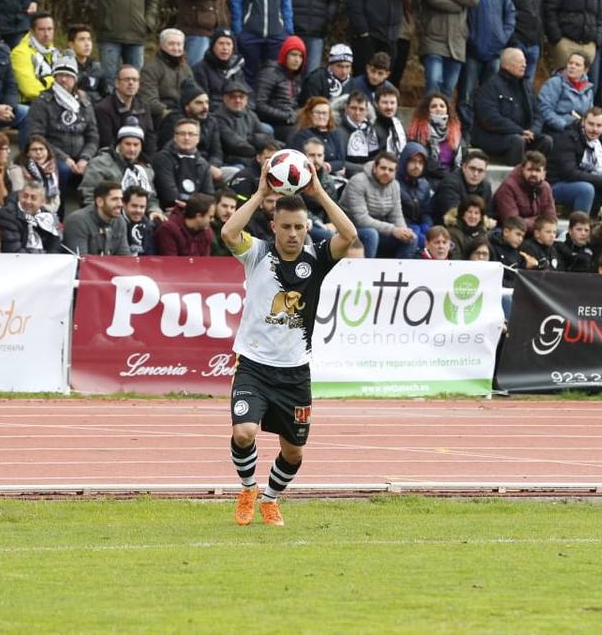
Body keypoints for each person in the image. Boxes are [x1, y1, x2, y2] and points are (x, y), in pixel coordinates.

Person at [221, 159, 356, 527]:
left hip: (295, 371)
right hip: (252, 364)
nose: (293, 234)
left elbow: (350, 235)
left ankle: (270, 498)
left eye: (299, 227)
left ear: (307, 227)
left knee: (293, 451)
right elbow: (229, 233)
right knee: (244, 431)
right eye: (286, 227)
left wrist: (319, 192)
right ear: (273, 227)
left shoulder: (318, 257)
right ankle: (248, 489)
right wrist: (261, 193)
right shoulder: (258, 254)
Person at [23, 54, 97, 194]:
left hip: (81, 157)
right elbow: (36, 136)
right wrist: (64, 157)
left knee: (98, 170)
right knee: (61, 169)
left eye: (68, 76)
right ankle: (59, 212)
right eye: (59, 75)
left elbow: (93, 136)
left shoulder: (84, 102)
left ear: (75, 79)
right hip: (52, 155)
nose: (63, 79)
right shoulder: (42, 102)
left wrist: (85, 158)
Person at [418, 0, 479, 99]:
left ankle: (442, 123)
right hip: (434, 39)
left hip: (458, 42)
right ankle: (425, 121)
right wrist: (459, 5)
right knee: (434, 81)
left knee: (448, 89)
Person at [470, 47, 553, 164]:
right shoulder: (490, 86)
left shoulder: (527, 86)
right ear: (506, 65)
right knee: (517, 141)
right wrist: (519, 131)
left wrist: (533, 131)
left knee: (546, 141)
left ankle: (534, 174)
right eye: (519, 62)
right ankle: (514, 176)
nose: (524, 65)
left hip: (524, 135)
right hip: (494, 136)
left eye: (524, 61)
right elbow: (490, 118)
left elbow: (538, 114)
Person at [464, 0, 517, 117]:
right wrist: (468, 36)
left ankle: (483, 129)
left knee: (490, 95)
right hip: (472, 49)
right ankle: (465, 129)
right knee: (467, 93)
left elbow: (510, 14)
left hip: (495, 51)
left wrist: (503, 36)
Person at [548, 106, 602, 214]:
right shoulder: (568, 138)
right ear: (583, 122)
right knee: (586, 189)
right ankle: (580, 226)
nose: (594, 129)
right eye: (591, 124)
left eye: (599, 125)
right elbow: (570, 173)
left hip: (592, 183)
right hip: (560, 184)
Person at [342, 151, 417, 259]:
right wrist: (392, 230)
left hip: (379, 230)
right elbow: (361, 220)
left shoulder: (395, 185)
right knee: (371, 234)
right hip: (351, 229)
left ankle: (397, 273)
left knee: (411, 239)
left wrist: (403, 231)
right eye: (383, 168)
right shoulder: (358, 181)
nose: (386, 172)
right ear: (374, 167)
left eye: (391, 170)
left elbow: (396, 215)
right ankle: (366, 274)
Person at [255, 36, 306, 141]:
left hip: (289, 122)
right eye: (293, 55)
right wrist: (286, 117)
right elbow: (259, 105)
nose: (297, 60)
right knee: (299, 136)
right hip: (273, 123)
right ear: (284, 55)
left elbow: (293, 104)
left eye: (301, 56)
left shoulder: (296, 77)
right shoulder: (270, 73)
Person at [62, 180, 132, 256]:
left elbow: (125, 257)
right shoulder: (77, 221)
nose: (120, 204)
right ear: (99, 202)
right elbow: (81, 260)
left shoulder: (120, 221)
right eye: (114, 199)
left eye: (121, 199)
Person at [405, 92, 464, 181]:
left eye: (442, 106)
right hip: (428, 178)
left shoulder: (455, 132)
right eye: (434, 106)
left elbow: (463, 159)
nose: (438, 109)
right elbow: (428, 164)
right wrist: (451, 178)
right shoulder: (419, 132)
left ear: (447, 109)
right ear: (426, 110)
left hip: (453, 179)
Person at [491, 151, 555, 230]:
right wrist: (541, 222)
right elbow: (513, 223)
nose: (533, 174)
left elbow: (552, 219)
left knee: (562, 234)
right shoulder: (508, 187)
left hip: (539, 232)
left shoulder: (545, 187)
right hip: (509, 233)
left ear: (543, 174)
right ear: (522, 169)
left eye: (538, 170)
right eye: (530, 170)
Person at [538, 50, 595, 134]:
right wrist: (564, 126)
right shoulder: (555, 82)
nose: (572, 66)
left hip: (579, 129)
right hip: (556, 129)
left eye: (577, 65)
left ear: (585, 70)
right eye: (570, 63)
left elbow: (590, 115)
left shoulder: (588, 89)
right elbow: (544, 109)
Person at [0, 180, 60, 254]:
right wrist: (44, 256)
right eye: (25, 196)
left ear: (42, 201)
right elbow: (13, 251)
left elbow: (56, 245)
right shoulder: (7, 215)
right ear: (19, 196)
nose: (28, 201)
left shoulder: (46, 216)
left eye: (33, 198)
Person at [9, 135, 64, 217]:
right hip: (24, 214)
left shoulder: (51, 169)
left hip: (48, 214)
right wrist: (42, 209)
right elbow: (18, 198)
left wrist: (48, 212)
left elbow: (56, 200)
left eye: (41, 149)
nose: (38, 152)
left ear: (47, 151)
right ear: (27, 153)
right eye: (34, 150)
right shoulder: (17, 169)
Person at [154, 192, 215, 257]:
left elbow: (205, 262)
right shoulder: (168, 230)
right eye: (210, 217)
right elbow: (170, 263)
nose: (212, 220)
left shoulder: (206, 233)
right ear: (198, 216)